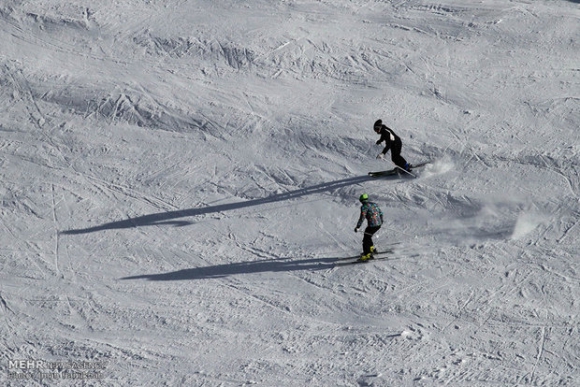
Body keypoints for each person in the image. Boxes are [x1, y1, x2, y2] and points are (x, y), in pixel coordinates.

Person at [354, 193, 383, 261]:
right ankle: (371, 249)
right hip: (378, 225)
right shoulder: (374, 204)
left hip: (372, 225)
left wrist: (358, 226)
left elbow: (362, 217)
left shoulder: (364, 206)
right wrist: (381, 221)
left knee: (365, 240)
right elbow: (380, 213)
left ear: (361, 200)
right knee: (368, 236)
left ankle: (367, 254)